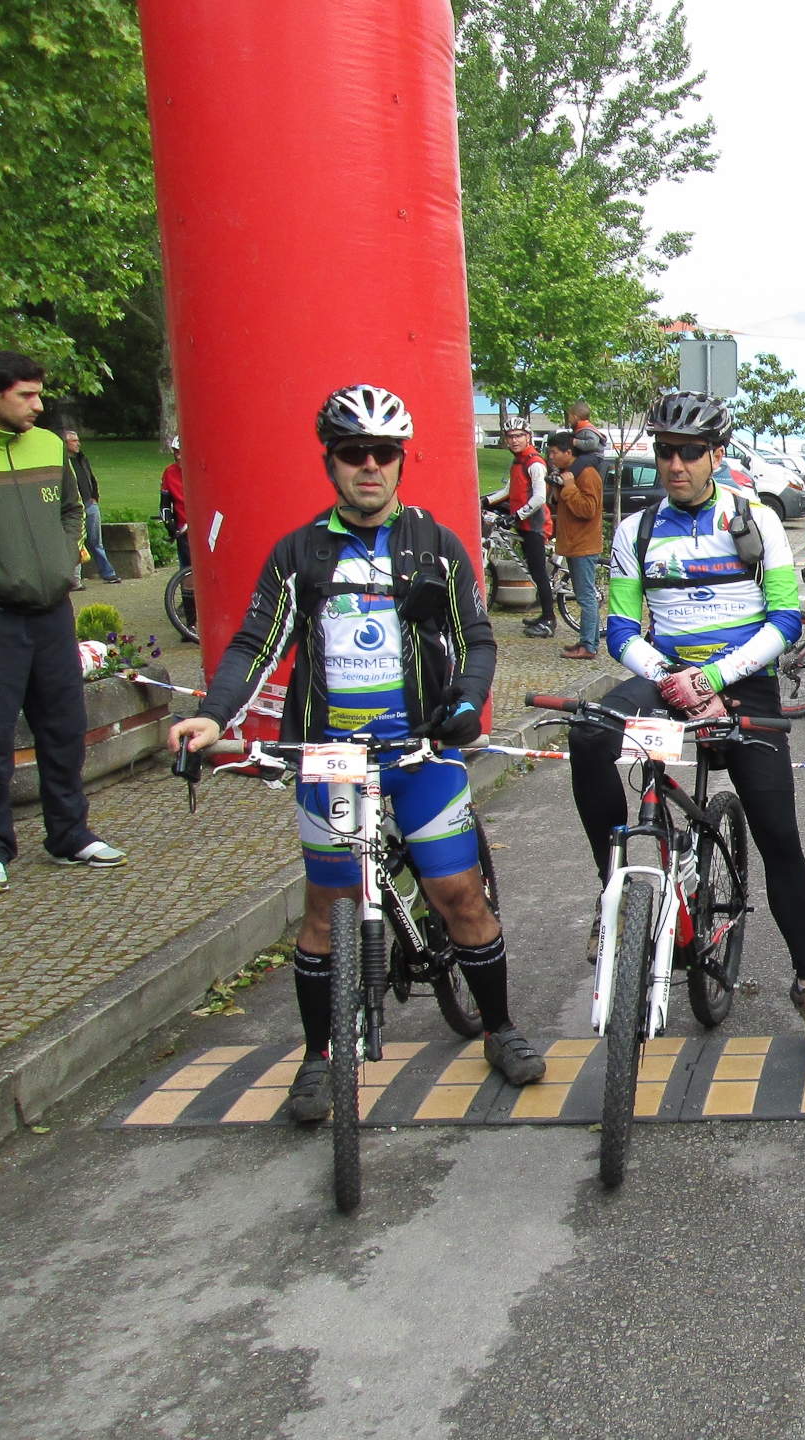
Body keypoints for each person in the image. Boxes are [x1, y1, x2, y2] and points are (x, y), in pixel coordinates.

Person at [166, 384, 543, 1118]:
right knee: (324, 912)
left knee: (460, 897)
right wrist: (212, 718)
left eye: (383, 453)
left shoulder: (435, 546)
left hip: (419, 754)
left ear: (401, 461)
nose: (369, 466)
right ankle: (318, 1058)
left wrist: (466, 702)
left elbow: (477, 639)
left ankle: (499, 1028)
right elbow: (254, 644)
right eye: (352, 453)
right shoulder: (299, 553)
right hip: (331, 760)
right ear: (331, 463)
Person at [567, 391, 805, 1058]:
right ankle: (612, 890)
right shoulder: (638, 530)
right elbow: (621, 630)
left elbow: (784, 620)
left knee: (779, 835)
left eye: (689, 452)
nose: (675, 464)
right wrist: (671, 676)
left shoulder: (756, 520)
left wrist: (713, 678)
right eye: (665, 451)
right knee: (588, 733)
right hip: (667, 674)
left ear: (716, 455)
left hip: (740, 678)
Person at [0, 351, 129, 895]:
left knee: (63, 728)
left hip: (52, 613)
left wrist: (63, 562)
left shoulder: (49, 445)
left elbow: (72, 509)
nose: (38, 405)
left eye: (39, 393)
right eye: (26, 395)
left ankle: (69, 835)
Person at [485, 415, 556, 638]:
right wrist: (486, 501)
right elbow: (509, 490)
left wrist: (515, 516)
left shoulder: (534, 463)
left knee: (539, 573)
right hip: (523, 523)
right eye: (510, 437)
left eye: (518, 436)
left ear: (528, 437)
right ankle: (544, 614)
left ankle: (549, 620)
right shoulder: (518, 461)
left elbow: (539, 497)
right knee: (534, 572)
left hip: (535, 525)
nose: (514, 440)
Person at [550, 427, 605, 661]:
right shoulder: (569, 474)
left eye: (554, 452)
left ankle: (589, 646)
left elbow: (588, 509)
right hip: (573, 544)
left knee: (586, 597)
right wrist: (558, 486)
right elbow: (560, 503)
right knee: (584, 596)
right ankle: (586, 640)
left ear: (568, 452)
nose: (551, 457)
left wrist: (570, 487)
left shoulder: (587, 474)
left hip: (584, 545)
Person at [63, 427, 120, 588]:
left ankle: (108, 574)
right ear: (65, 443)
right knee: (75, 543)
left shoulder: (82, 459)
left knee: (96, 542)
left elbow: (91, 478)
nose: (78, 443)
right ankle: (74, 580)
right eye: (74, 441)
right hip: (74, 508)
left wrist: (95, 497)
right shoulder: (62, 463)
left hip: (89, 504)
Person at [160, 435, 195, 636]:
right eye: (176, 452)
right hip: (184, 529)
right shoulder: (170, 473)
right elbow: (165, 504)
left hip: (206, 528)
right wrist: (170, 524)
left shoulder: (200, 468)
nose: (180, 456)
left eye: (183, 452)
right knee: (188, 575)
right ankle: (191, 624)